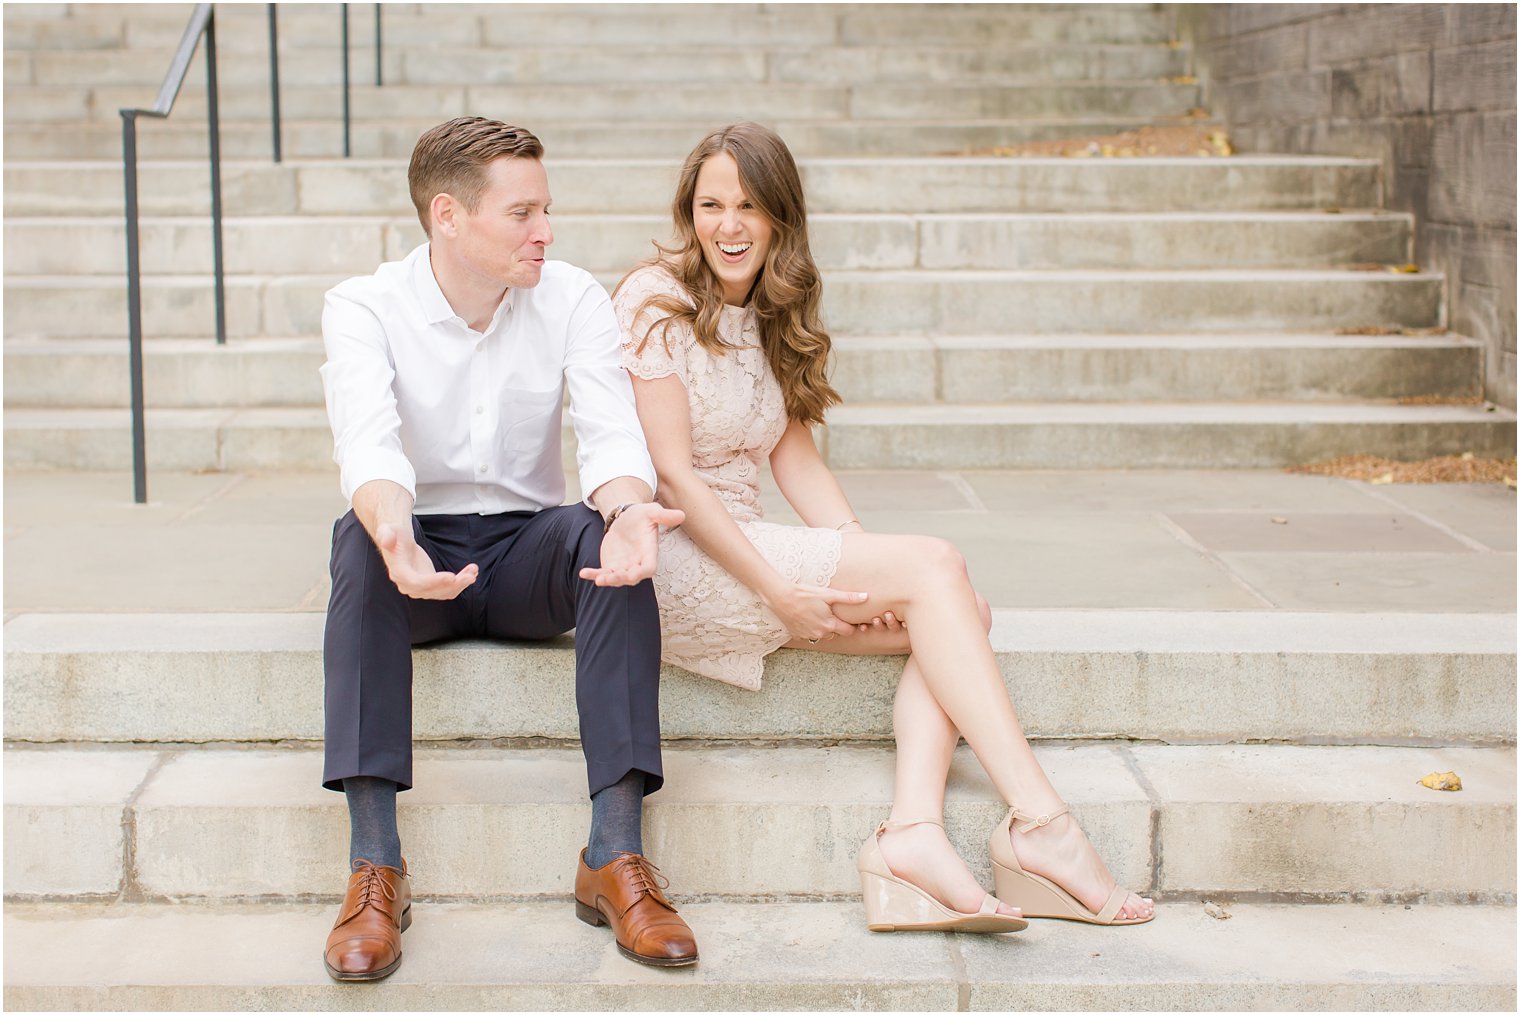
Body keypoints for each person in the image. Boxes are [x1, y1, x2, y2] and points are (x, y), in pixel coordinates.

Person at [612, 122, 1154, 933]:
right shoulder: (655, 299)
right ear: (690, 212)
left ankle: (912, 833)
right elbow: (674, 474)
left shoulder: (764, 312)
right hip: (681, 557)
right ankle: (1043, 824)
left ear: (779, 220)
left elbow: (795, 461)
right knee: (938, 566)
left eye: (749, 206)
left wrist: (865, 565)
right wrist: (787, 590)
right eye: (712, 204)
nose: (729, 225)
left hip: (752, 552)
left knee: (956, 608)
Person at [318, 116, 698, 981]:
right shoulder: (364, 305)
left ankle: (614, 855)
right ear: (448, 215)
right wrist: (391, 533)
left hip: (528, 550)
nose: (546, 232)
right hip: (417, 548)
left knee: (614, 543)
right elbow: (369, 447)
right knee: (356, 539)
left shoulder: (569, 296)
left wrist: (632, 508)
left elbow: (608, 436)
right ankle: (374, 865)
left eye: (546, 209)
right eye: (522, 213)